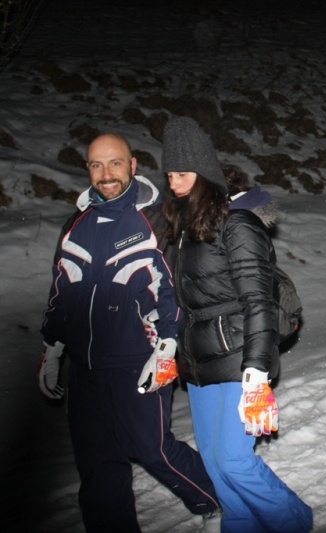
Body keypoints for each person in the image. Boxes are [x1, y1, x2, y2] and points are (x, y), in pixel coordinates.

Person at [37, 132, 219, 532]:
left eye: (115, 163)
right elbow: (62, 289)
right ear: (88, 169)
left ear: (133, 165)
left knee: (151, 448)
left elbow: (174, 288)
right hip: (85, 367)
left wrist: (167, 347)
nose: (106, 174)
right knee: (97, 465)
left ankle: (216, 502)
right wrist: (52, 347)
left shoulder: (156, 218)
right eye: (97, 165)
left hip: (138, 358)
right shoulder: (75, 225)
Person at [160, 116, 313, 533]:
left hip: (238, 357)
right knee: (213, 461)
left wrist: (257, 370)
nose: (175, 183)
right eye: (170, 174)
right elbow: (182, 299)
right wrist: (168, 346)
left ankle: (295, 523)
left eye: (183, 173)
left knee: (233, 460)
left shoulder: (237, 223)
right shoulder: (182, 227)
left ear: (204, 173)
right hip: (198, 361)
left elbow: (257, 301)